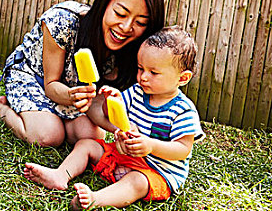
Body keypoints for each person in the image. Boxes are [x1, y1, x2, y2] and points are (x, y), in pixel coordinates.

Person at [23, 25, 205, 209]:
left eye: (154, 72)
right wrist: (111, 101)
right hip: (122, 157)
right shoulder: (136, 91)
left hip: (156, 171)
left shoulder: (183, 111)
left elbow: (183, 149)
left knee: (136, 181)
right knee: (87, 144)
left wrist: (150, 146)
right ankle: (60, 175)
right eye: (141, 68)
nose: (143, 77)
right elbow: (111, 116)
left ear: (182, 78)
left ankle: (94, 199)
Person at [0, 0, 165, 147]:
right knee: (49, 136)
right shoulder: (63, 21)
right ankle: (4, 108)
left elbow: (95, 102)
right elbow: (51, 85)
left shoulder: (132, 50)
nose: (125, 27)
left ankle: (56, 118)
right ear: (104, 3)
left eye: (140, 23)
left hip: (74, 92)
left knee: (91, 136)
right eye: (120, 13)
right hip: (34, 77)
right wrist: (71, 96)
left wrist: (123, 130)